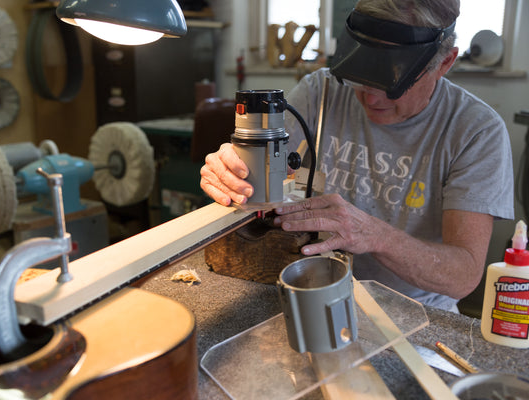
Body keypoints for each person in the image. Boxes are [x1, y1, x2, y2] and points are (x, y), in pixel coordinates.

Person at [199, 0, 514, 312]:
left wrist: (375, 235)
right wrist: (232, 170)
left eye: (392, 83)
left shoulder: (475, 130)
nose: (371, 96)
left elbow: (464, 274)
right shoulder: (321, 92)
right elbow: (255, 170)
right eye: (361, 75)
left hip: (414, 313)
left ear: (444, 63)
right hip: (314, 291)